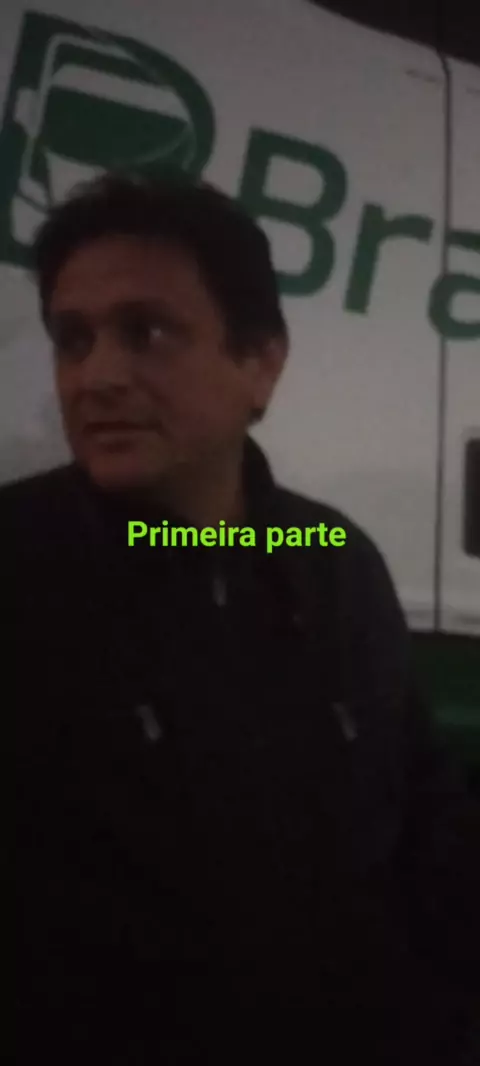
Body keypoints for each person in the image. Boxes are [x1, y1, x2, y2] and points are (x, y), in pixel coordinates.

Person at [6, 173, 479, 1065]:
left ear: (260, 363)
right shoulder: (21, 567)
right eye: (74, 340)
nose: (96, 376)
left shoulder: (334, 560)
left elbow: (427, 831)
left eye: (147, 332)